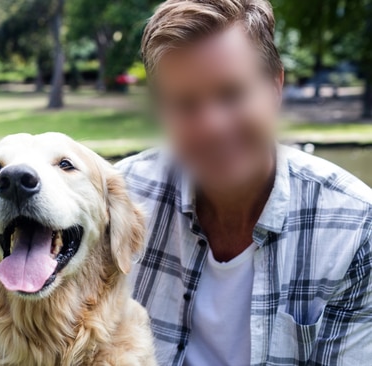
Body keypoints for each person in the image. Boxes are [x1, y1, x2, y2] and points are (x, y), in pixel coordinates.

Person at [117, 0, 372, 365]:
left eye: (231, 94)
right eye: (186, 104)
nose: (212, 126)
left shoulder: (357, 228)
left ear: (275, 86)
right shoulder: (119, 199)